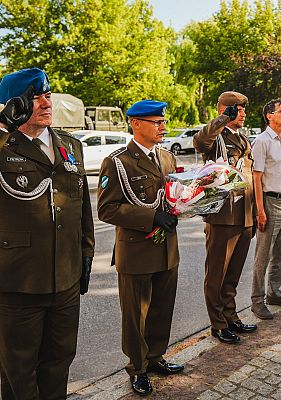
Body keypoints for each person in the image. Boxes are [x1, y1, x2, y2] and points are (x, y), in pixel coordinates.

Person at [0, 68, 95, 399]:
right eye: (34, 96)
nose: (45, 101)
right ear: (13, 104)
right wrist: (3, 126)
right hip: (18, 282)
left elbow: (82, 207)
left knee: (59, 362)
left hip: (65, 279)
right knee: (18, 370)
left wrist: (86, 255)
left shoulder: (69, 145)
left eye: (47, 94)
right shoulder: (4, 145)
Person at [97, 100, 183, 396]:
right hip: (136, 250)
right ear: (136, 124)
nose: (163, 126)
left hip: (167, 247)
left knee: (162, 308)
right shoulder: (118, 161)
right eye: (156, 122)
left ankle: (156, 356)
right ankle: (137, 367)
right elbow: (106, 210)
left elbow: (174, 193)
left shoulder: (167, 157)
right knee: (136, 315)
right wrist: (150, 216)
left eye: (162, 121)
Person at [193, 91, 257, 344]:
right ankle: (218, 323)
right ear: (224, 110)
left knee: (233, 272)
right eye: (237, 109)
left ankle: (230, 315)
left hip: (245, 214)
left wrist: (256, 212)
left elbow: (249, 175)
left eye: (242, 109)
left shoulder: (242, 139)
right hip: (223, 215)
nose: (242, 113)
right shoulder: (216, 138)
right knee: (217, 273)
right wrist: (221, 119)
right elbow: (200, 141)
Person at [250, 99, 281, 320]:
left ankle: (274, 293)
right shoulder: (262, 141)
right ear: (269, 115)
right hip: (270, 201)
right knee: (263, 254)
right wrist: (260, 210)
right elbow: (256, 178)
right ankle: (257, 302)